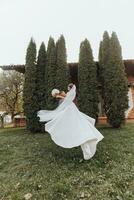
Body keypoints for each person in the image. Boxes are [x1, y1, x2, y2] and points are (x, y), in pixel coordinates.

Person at [37, 84, 104, 160]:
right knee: (81, 131)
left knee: (83, 130)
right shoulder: (64, 100)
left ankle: (88, 148)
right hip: (73, 118)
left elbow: (69, 97)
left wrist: (70, 90)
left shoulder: (64, 99)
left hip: (76, 116)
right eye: (61, 93)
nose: (64, 93)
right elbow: (69, 98)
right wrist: (71, 89)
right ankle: (87, 149)